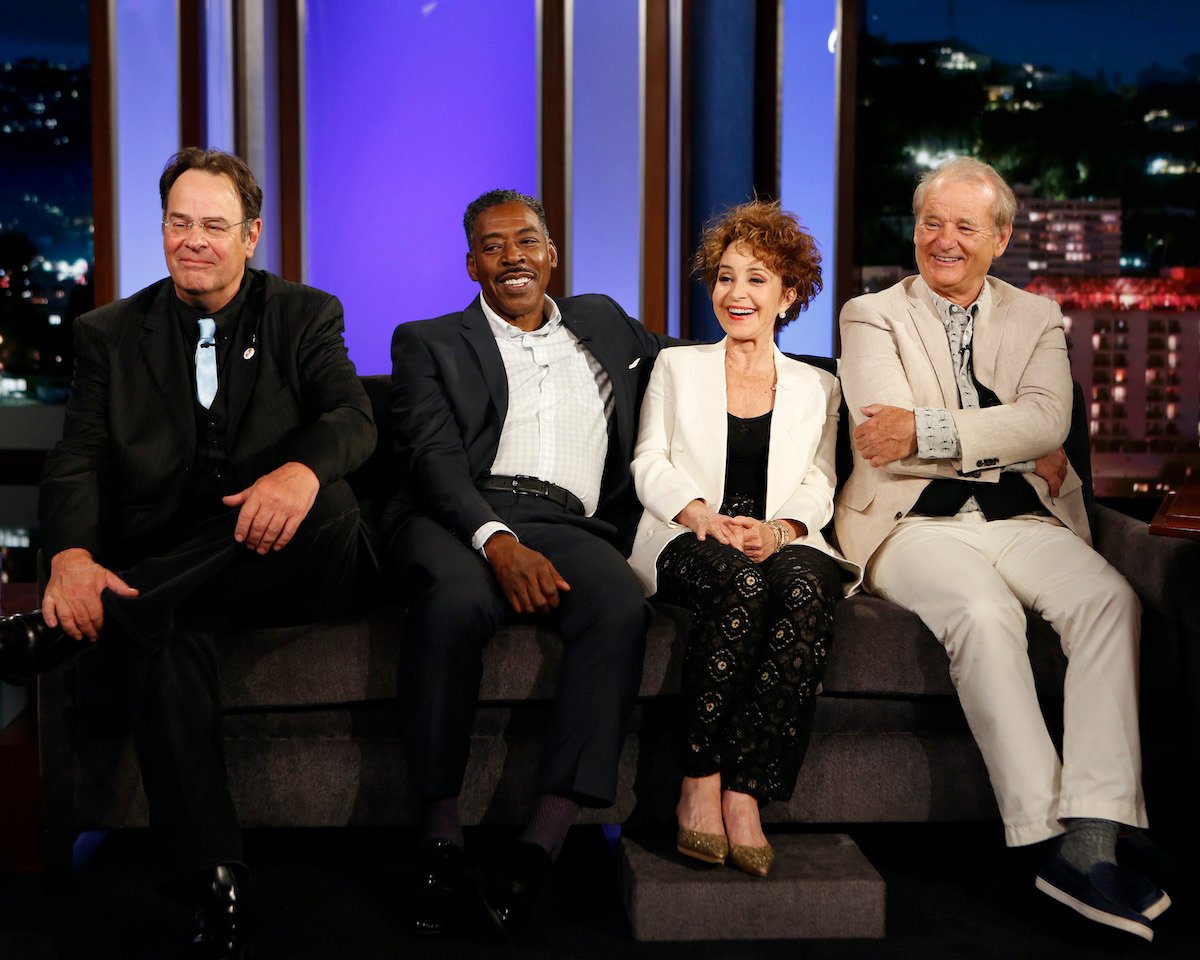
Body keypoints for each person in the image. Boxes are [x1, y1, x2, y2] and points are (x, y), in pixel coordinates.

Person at [0, 148, 375, 959]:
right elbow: (80, 456)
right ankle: (214, 878)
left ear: (251, 235)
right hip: (185, 571)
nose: (193, 241)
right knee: (162, 629)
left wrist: (299, 472)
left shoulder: (305, 314)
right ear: (162, 229)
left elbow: (353, 417)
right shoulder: (107, 333)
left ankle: (104, 606)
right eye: (179, 223)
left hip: (294, 566)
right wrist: (68, 555)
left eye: (213, 225)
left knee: (333, 501)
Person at [834, 157, 1167, 939]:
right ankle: (1052, 841)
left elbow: (1048, 422)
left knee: (1108, 601)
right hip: (909, 524)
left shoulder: (1038, 315)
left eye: (963, 227)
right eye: (929, 223)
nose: (942, 240)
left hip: (1024, 519)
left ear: (1002, 238)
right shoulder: (869, 313)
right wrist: (1006, 440)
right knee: (984, 615)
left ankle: (1093, 832)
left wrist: (936, 429)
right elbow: (884, 444)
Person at [381, 189, 669, 934]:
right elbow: (434, 463)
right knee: (454, 603)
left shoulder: (603, 320)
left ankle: (542, 841)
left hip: (569, 519)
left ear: (552, 254)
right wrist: (498, 542)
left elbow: (698, 369)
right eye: (493, 244)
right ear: (472, 263)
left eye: (527, 240)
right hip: (457, 512)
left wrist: (831, 380)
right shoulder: (427, 340)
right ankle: (440, 834)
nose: (512, 255)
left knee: (617, 603)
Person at [628, 200, 859, 878]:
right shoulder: (676, 367)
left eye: (757, 279)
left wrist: (781, 529)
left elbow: (820, 482)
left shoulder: (820, 386)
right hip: (687, 532)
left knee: (804, 586)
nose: (737, 294)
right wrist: (700, 515)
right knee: (741, 581)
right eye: (725, 277)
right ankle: (699, 779)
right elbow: (649, 462)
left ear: (788, 295)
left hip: (779, 533)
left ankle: (746, 791)